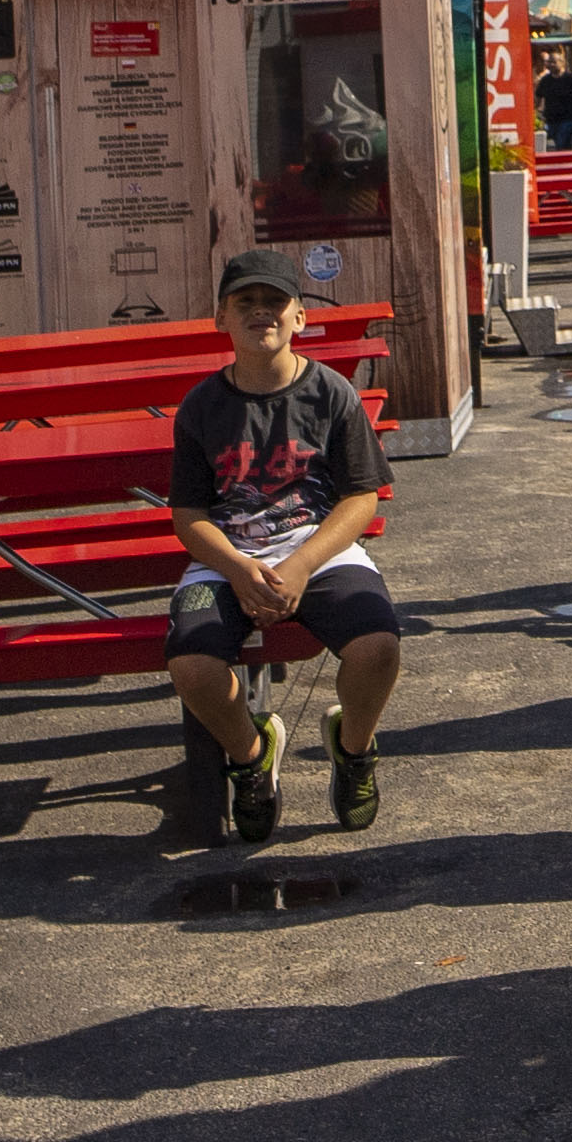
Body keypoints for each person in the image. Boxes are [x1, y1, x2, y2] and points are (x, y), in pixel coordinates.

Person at [165, 262, 404, 843]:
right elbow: (189, 516)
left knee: (378, 648)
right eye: (243, 301)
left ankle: (353, 752)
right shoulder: (201, 406)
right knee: (192, 667)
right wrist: (240, 570)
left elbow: (360, 498)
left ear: (301, 317)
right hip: (225, 562)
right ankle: (251, 758)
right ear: (220, 317)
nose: (259, 312)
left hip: (318, 552)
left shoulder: (331, 393)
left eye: (275, 301)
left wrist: (299, 565)